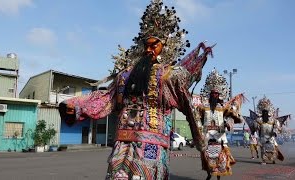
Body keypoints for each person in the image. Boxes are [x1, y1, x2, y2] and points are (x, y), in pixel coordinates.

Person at [58, 2, 214, 179]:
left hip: (151, 141)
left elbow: (189, 107)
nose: (148, 49)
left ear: (165, 46)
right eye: (146, 45)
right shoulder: (125, 75)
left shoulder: (170, 76)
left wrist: (201, 144)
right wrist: (77, 105)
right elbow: (106, 98)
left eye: (154, 45)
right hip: (123, 139)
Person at [195, 70, 245, 180]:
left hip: (220, 136)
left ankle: (218, 176)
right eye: (212, 93)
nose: (214, 95)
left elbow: (233, 117)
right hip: (207, 136)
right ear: (209, 94)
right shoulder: (203, 106)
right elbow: (198, 118)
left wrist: (228, 124)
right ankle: (209, 174)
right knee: (207, 157)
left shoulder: (223, 107)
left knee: (221, 157)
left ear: (219, 95)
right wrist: (199, 129)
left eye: (216, 94)